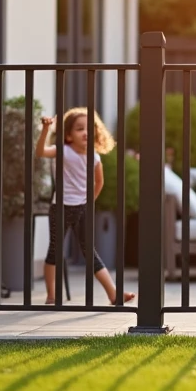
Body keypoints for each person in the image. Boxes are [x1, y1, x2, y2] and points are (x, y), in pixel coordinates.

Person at [35, 107, 135, 306]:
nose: (86, 132)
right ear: (69, 136)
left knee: (90, 253)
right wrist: (46, 129)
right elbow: (40, 152)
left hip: (82, 209)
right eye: (80, 129)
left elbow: (99, 182)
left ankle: (113, 294)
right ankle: (52, 296)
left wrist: (89, 201)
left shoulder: (94, 157)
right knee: (54, 250)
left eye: (90, 128)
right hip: (60, 208)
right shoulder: (63, 151)